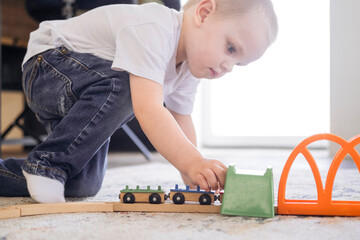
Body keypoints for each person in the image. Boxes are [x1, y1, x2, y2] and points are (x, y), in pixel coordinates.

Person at [0, 0, 278, 203]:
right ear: (204, 13)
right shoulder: (155, 27)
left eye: (238, 63)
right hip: (47, 66)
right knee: (127, 88)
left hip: (82, 93)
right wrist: (193, 162)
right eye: (230, 48)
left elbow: (182, 120)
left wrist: (194, 175)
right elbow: (149, 108)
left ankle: (16, 173)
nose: (228, 66)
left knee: (83, 184)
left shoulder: (190, 69)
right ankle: (46, 164)